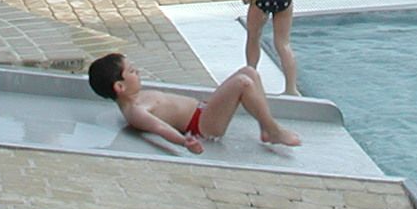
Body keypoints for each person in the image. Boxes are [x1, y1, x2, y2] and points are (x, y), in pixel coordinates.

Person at [88, 52, 301, 152]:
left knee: (249, 72)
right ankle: (273, 131)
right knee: (244, 82)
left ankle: (265, 126)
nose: (138, 72)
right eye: (132, 71)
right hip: (203, 126)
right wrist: (185, 143)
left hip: (203, 111)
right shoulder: (136, 110)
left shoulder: (136, 98)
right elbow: (160, 128)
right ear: (120, 87)